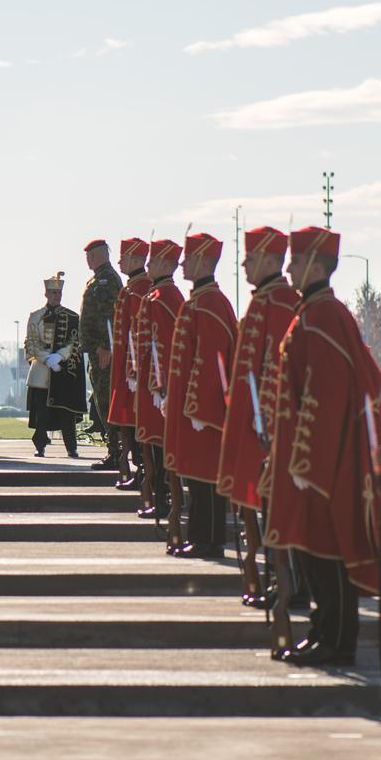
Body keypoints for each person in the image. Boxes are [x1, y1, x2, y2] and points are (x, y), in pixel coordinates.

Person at [263, 226, 381, 668]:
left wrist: (307, 461)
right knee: (314, 549)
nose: (290, 268)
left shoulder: (325, 315)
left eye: (295, 261)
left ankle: (337, 639)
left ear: (316, 265)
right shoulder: (313, 313)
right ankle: (323, 631)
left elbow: (325, 395)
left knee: (327, 549)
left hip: (323, 460)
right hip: (312, 456)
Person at [216, 226, 301, 608]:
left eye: (250, 258)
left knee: (278, 509)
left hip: (272, 427)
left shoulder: (282, 302)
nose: (244, 265)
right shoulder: (263, 300)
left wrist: (265, 418)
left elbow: (280, 369)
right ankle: (275, 580)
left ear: (268, 259)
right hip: (255, 424)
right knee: (262, 509)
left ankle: (290, 585)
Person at [164, 232, 237, 559]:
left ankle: (210, 540)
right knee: (197, 476)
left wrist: (197, 406)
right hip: (191, 407)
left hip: (204, 410)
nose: (183, 264)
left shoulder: (211, 303)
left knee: (207, 478)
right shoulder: (199, 300)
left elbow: (210, 360)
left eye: (189, 258)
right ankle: (201, 536)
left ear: (205, 262)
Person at [133, 239, 183, 521]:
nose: (147, 265)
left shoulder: (164, 298)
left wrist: (157, 383)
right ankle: (159, 497)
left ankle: (164, 500)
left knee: (160, 445)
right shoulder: (157, 296)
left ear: (165, 264)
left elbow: (162, 344)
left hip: (158, 387)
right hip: (151, 384)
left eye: (152, 261)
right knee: (153, 444)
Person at [99, 238, 151, 478]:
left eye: (124, 256)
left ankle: (144, 473)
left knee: (136, 423)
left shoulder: (141, 290)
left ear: (137, 260)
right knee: (127, 422)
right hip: (124, 368)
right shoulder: (130, 288)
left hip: (134, 371)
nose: (120, 261)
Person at [24, 273, 84, 458]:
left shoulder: (72, 316)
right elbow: (31, 342)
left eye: (58, 293)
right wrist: (46, 358)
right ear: (46, 294)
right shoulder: (36, 316)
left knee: (66, 412)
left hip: (62, 370)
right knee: (41, 411)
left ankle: (71, 447)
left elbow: (74, 341)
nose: (56, 296)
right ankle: (40, 445)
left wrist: (59, 356)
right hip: (41, 371)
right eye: (53, 292)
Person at [78, 240, 122, 442]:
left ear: (103, 255)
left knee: (105, 401)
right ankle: (113, 447)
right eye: (87, 256)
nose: (89, 260)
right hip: (95, 351)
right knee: (100, 399)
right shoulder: (97, 279)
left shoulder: (108, 280)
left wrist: (106, 346)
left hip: (103, 352)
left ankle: (116, 449)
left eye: (92, 256)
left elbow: (111, 316)